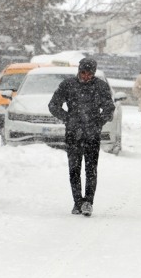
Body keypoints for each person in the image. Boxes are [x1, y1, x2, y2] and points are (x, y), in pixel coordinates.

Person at [48, 57, 116, 217]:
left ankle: (88, 202)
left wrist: (99, 121)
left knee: (91, 169)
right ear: (79, 71)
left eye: (89, 74)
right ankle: (77, 202)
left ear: (93, 73)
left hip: (92, 134)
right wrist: (67, 118)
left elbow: (109, 107)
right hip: (73, 134)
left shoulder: (101, 87)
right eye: (83, 73)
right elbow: (53, 105)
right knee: (74, 169)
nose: (86, 76)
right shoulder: (68, 85)